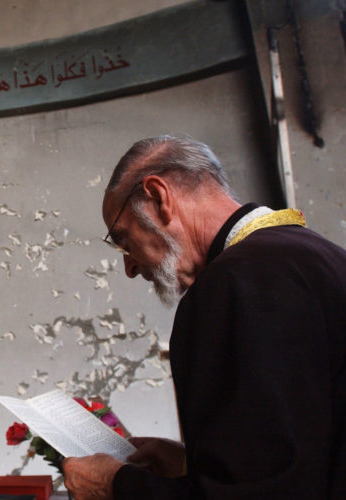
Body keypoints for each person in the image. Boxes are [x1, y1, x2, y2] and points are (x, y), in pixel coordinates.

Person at [62, 135, 346, 499]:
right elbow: (298, 456)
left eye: (123, 239)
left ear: (159, 198)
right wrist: (189, 463)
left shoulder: (233, 283)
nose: (130, 266)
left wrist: (115, 485)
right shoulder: (319, 256)